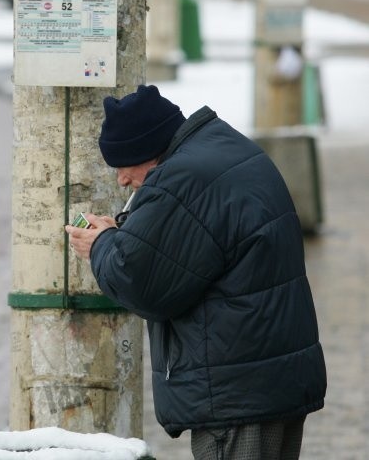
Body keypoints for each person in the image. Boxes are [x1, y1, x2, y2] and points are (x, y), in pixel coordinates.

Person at [65, 85, 327, 460]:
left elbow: (141, 283)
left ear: (149, 150)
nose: (122, 179)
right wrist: (125, 236)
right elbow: (191, 251)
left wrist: (102, 244)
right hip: (269, 376)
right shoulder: (222, 149)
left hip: (235, 391)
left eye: (124, 164)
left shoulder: (183, 181)